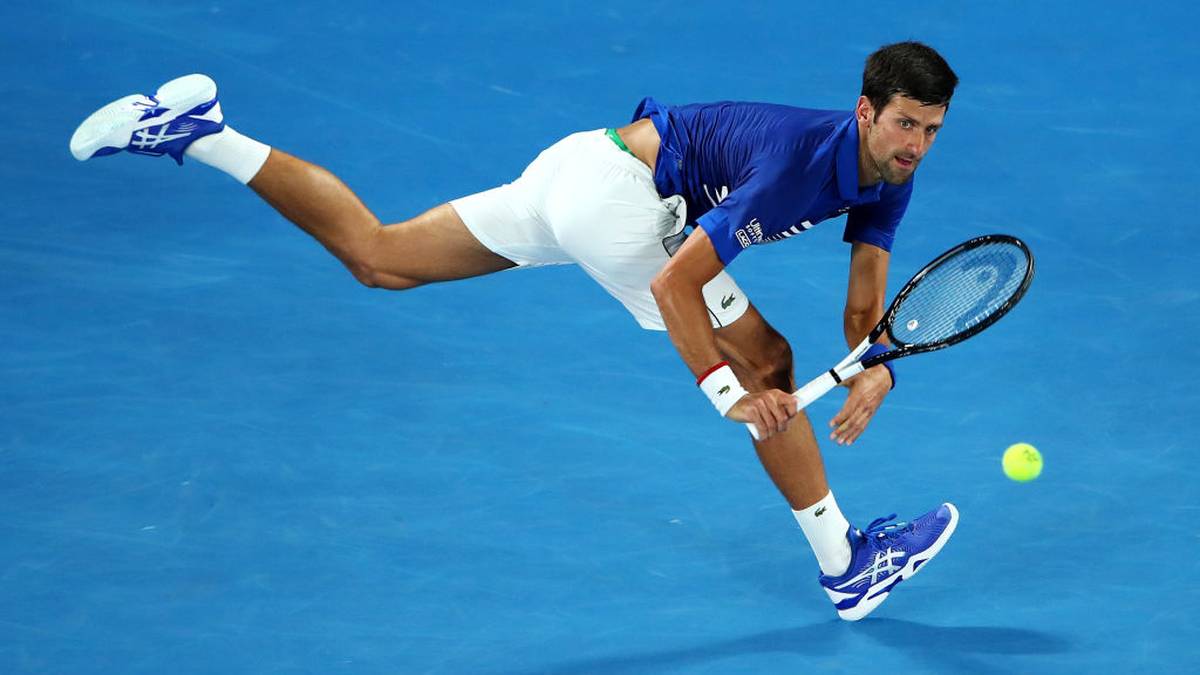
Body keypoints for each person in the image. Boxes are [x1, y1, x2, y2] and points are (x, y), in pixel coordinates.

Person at [71, 41, 959, 621]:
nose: (916, 143)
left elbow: (866, 296)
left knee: (381, 257)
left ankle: (200, 134)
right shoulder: (795, 168)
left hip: (577, 167)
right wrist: (729, 395)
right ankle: (847, 565)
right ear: (864, 110)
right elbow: (675, 278)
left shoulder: (894, 173)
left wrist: (878, 360)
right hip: (620, 204)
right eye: (904, 123)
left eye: (930, 130)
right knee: (764, 360)